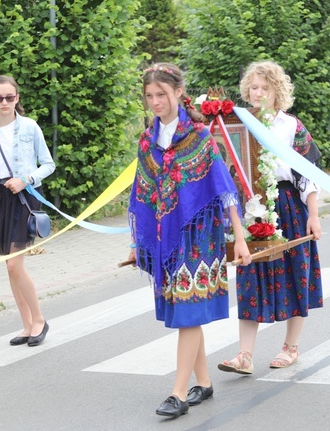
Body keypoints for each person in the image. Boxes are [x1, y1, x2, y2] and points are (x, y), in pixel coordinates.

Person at [127, 63, 251, 418]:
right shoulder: (147, 140)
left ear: (179, 92)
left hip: (199, 237)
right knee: (186, 310)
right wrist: (138, 244)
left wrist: (239, 239)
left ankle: (178, 394)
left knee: (187, 311)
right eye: (149, 96)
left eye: (161, 94)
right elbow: (143, 193)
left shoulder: (199, 136)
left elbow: (224, 191)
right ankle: (204, 382)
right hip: (165, 237)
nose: (155, 102)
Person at [219, 60, 323, 375]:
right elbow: (229, 171)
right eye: (253, 87)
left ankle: (290, 347)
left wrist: (314, 214)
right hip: (252, 207)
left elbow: (308, 174)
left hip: (289, 204)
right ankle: (244, 355)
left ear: (277, 91)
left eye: (265, 87)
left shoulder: (291, 126)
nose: (259, 93)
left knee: (296, 273)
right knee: (250, 277)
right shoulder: (238, 124)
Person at [0, 75, 55, 347]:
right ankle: (27, 324)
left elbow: (48, 164)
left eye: (10, 97)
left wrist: (26, 180)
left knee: (13, 263)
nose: (5, 102)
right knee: (10, 268)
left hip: (24, 197)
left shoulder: (30, 127)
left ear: (17, 97)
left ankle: (40, 320)